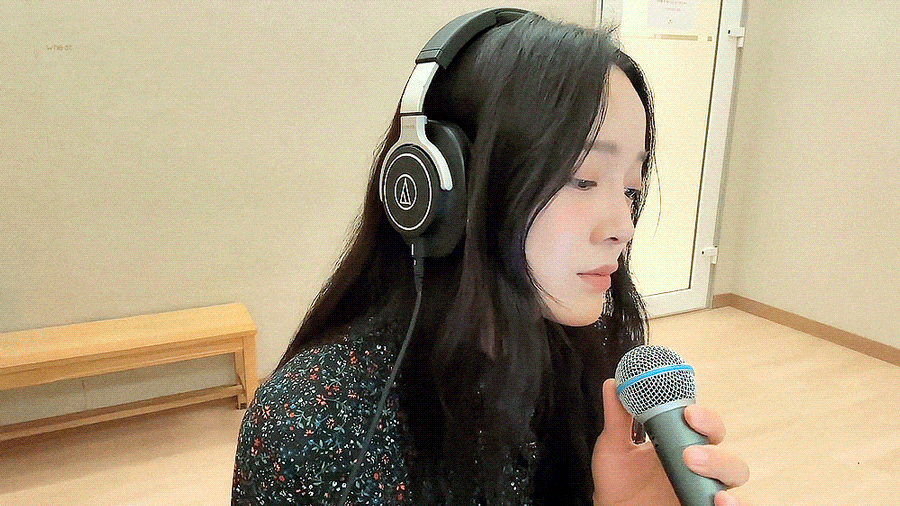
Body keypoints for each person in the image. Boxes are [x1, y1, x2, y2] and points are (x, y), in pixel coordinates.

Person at [232, 9, 749, 506]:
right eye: (583, 179)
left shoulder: (583, 366)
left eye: (631, 189)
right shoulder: (321, 421)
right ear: (445, 190)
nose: (624, 228)